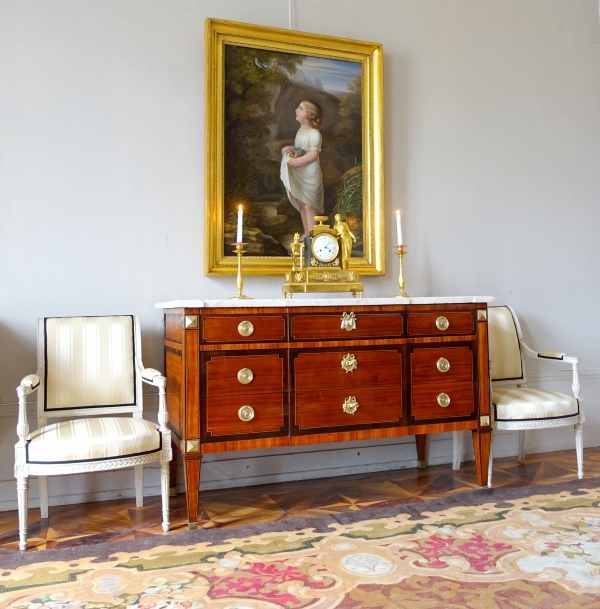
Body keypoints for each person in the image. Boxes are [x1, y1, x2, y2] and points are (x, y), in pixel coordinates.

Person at [280, 100, 324, 239]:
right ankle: (307, 231)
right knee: (302, 203)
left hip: (310, 174)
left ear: (309, 115)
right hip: (301, 173)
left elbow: (313, 154)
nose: (296, 110)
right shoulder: (300, 131)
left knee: (309, 205)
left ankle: (313, 234)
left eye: (300, 108)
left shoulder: (314, 134)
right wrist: (290, 150)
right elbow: (301, 150)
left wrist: (298, 161)